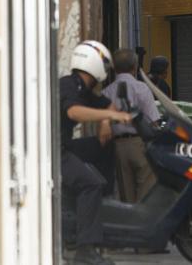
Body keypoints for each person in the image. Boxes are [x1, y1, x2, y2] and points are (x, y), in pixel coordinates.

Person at [60, 41, 133, 265]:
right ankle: (85, 250)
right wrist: (110, 117)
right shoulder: (68, 85)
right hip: (53, 151)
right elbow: (74, 112)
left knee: (104, 145)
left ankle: (102, 204)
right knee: (90, 184)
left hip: (65, 145)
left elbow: (108, 105)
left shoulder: (84, 88)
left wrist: (104, 119)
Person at [101, 48, 161, 204]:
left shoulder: (106, 92)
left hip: (118, 146)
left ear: (114, 67)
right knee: (146, 188)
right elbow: (154, 120)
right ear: (135, 66)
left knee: (126, 194)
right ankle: (143, 221)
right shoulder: (141, 88)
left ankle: (130, 223)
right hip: (140, 143)